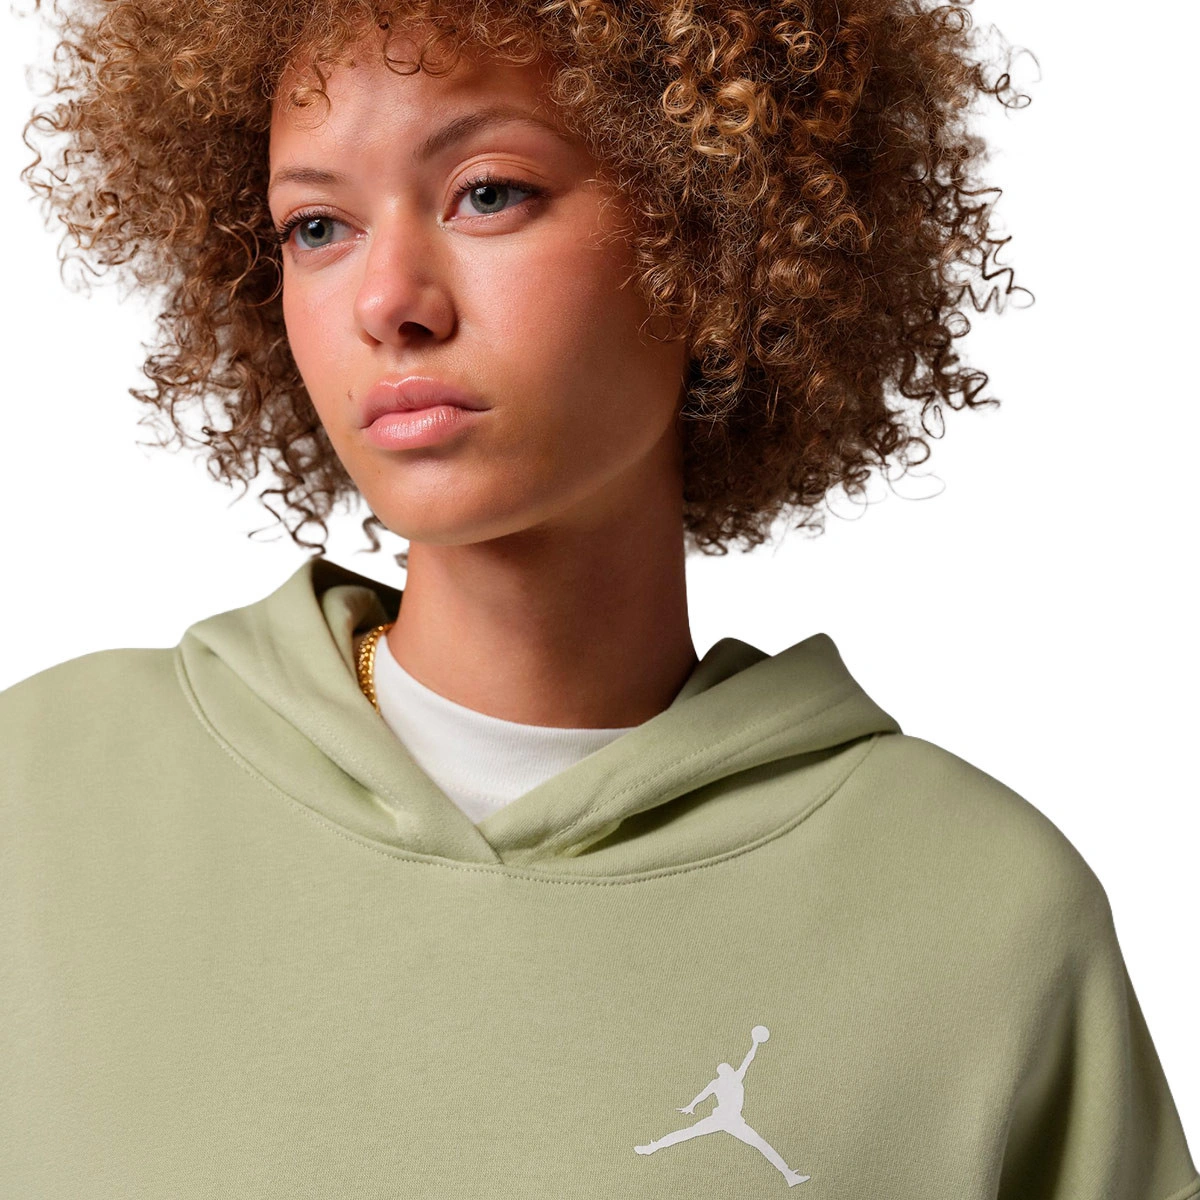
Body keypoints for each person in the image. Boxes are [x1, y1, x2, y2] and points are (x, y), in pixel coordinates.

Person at [2, 1, 1195, 1196]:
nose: (388, 301)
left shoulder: (978, 920)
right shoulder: (45, 795)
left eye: (487, 193)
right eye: (318, 227)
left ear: (718, 231)